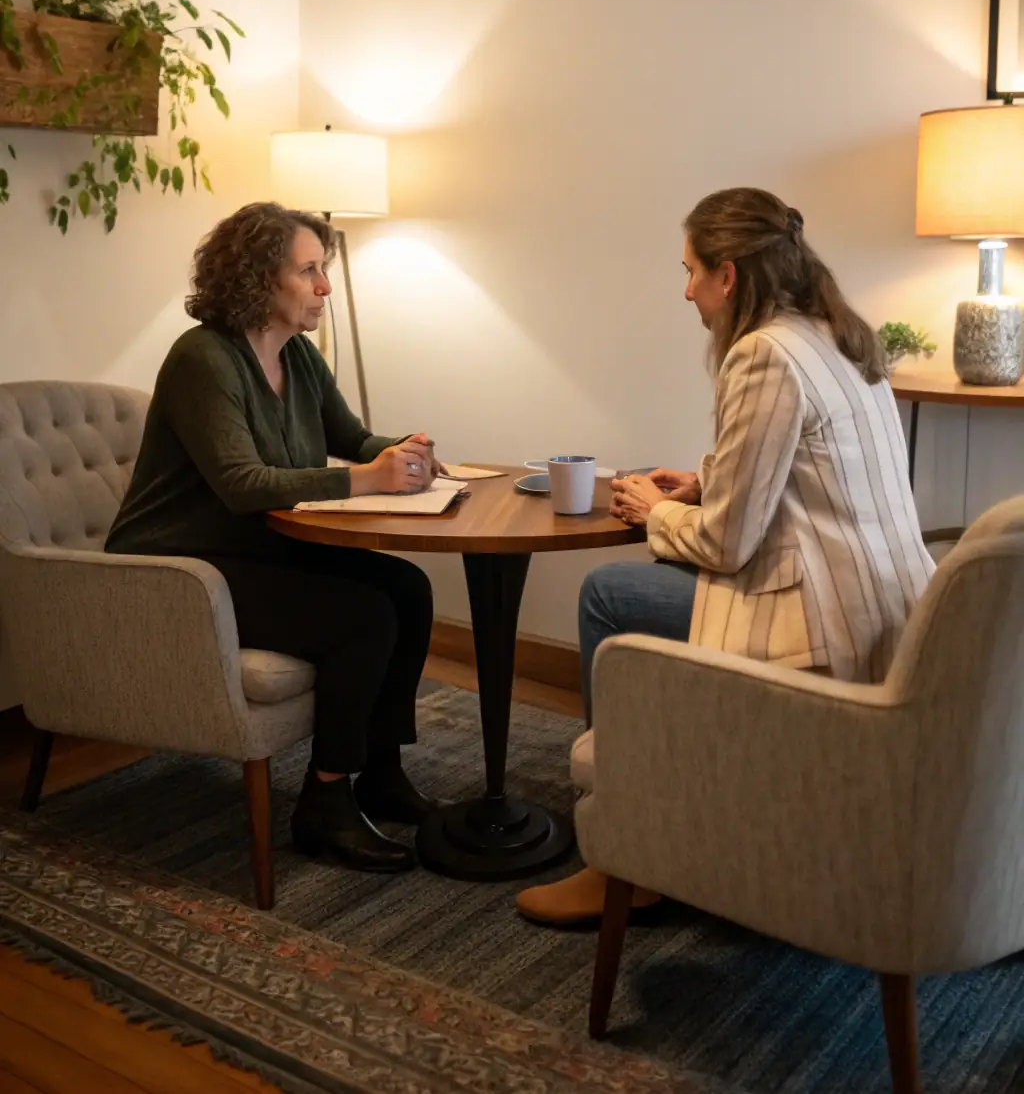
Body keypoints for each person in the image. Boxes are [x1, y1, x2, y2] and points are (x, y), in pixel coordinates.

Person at [516, 186, 935, 925]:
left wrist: (658, 511)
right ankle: (661, 812)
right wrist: (705, 483)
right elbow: (812, 475)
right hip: (886, 615)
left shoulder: (764, 354)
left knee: (609, 592)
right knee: (661, 572)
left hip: (824, 632)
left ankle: (626, 854)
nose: (687, 292)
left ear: (729, 274)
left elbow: (727, 543)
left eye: (691, 271)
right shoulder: (836, 335)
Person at [106, 202, 442, 875]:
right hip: (179, 566)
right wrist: (370, 479)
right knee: (363, 617)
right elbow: (241, 484)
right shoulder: (204, 358)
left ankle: (381, 771)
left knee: (408, 587)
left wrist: (405, 451)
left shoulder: (300, 357)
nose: (324, 286)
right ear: (259, 277)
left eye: (324, 269)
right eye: (309, 270)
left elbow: (353, 439)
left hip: (250, 547)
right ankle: (324, 801)